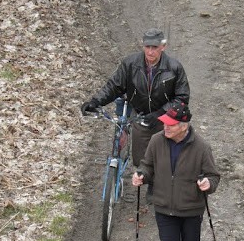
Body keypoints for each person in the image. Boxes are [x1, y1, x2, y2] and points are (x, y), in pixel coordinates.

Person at [131, 102, 220, 241]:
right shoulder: (156, 141)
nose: (166, 127)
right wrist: (141, 175)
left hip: (190, 208)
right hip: (163, 206)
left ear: (184, 125)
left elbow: (213, 176)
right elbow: (147, 165)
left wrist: (208, 184)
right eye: (165, 123)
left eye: (171, 124)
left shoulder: (201, 147)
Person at [80, 28, 191, 184]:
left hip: (165, 118)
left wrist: (161, 113)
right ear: (143, 45)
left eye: (154, 47)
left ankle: (156, 187)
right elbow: (114, 86)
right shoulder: (130, 64)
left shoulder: (174, 68)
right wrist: (95, 101)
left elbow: (182, 98)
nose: (150, 51)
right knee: (141, 158)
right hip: (140, 116)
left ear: (163, 47)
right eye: (147, 47)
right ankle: (146, 179)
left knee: (164, 156)